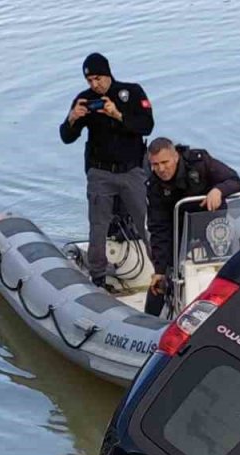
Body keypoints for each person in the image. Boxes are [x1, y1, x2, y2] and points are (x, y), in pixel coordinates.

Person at [59, 52, 155, 290]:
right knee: (98, 226)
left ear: (108, 73)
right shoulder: (84, 100)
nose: (95, 84)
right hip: (100, 173)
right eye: (90, 80)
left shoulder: (131, 92)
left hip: (131, 171)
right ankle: (98, 278)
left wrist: (118, 115)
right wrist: (72, 119)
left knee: (147, 222)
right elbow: (66, 138)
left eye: (98, 78)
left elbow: (147, 126)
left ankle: (163, 269)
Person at [144, 137, 240, 317]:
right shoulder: (154, 185)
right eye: (155, 164)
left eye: (165, 162)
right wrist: (159, 270)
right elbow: (159, 227)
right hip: (178, 227)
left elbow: (235, 181)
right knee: (163, 275)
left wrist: (219, 190)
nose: (161, 169)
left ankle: (232, 311)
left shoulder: (200, 162)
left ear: (175, 157)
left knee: (224, 269)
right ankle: (149, 319)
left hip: (211, 226)